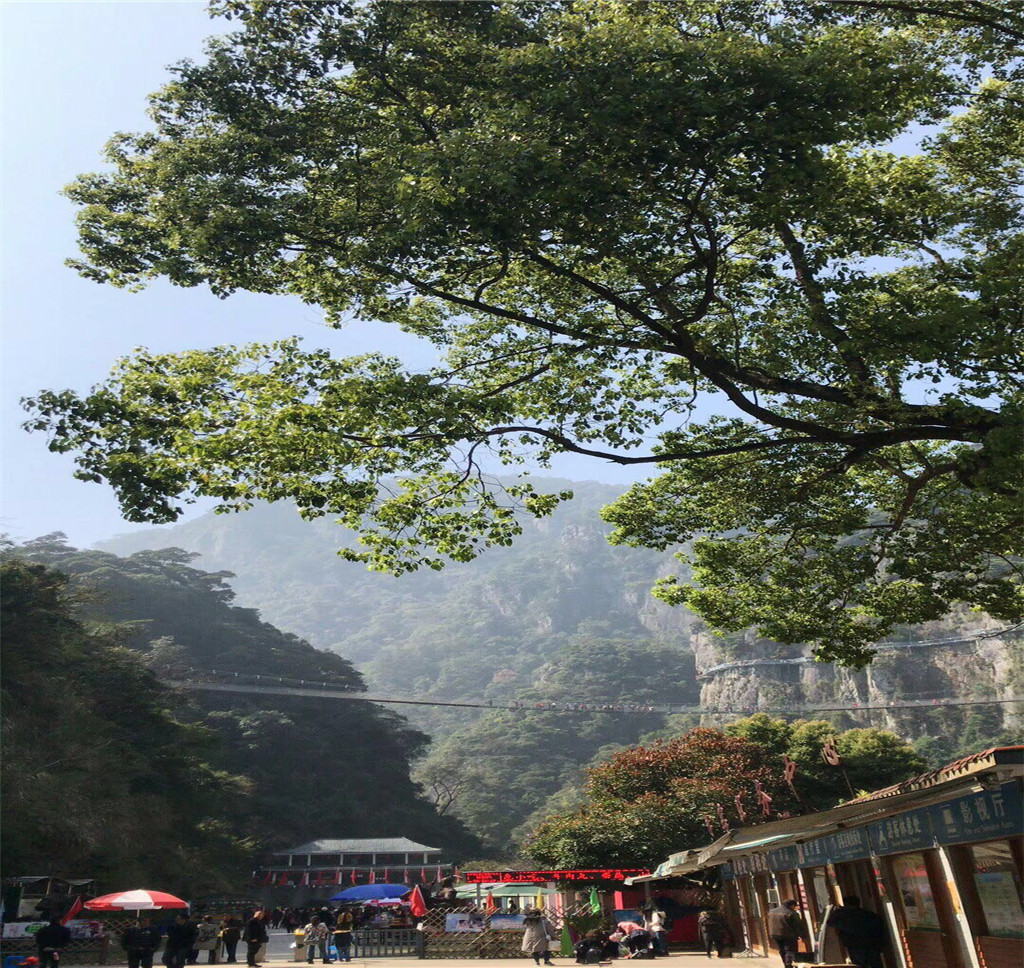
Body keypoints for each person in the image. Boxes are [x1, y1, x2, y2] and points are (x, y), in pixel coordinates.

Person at [830, 896, 887, 968]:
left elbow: (831, 922)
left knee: (860, 964)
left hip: (856, 946)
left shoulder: (845, 916)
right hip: (871, 945)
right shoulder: (868, 914)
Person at [766, 899, 807, 968]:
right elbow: (798, 925)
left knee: (782, 950)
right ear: (792, 905)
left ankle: (785, 964)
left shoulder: (772, 912)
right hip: (788, 935)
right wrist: (803, 936)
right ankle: (788, 965)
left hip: (775, 934)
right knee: (789, 950)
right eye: (794, 906)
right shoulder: (791, 913)